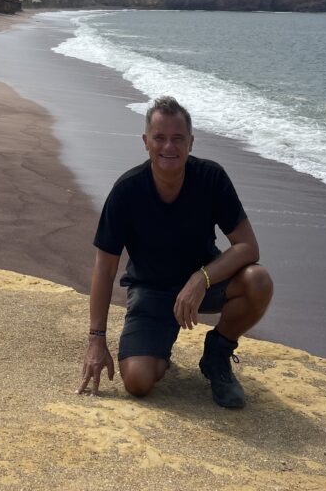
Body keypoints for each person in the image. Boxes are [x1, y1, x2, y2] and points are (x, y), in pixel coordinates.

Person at [77, 95, 273, 408]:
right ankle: (159, 349)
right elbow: (104, 268)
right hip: (151, 292)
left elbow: (248, 246)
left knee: (258, 280)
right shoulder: (127, 191)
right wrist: (96, 340)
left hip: (203, 287)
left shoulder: (211, 178)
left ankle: (217, 356)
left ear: (191, 142)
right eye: (160, 138)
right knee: (138, 382)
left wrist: (202, 278)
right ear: (145, 142)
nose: (169, 147)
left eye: (178, 139)